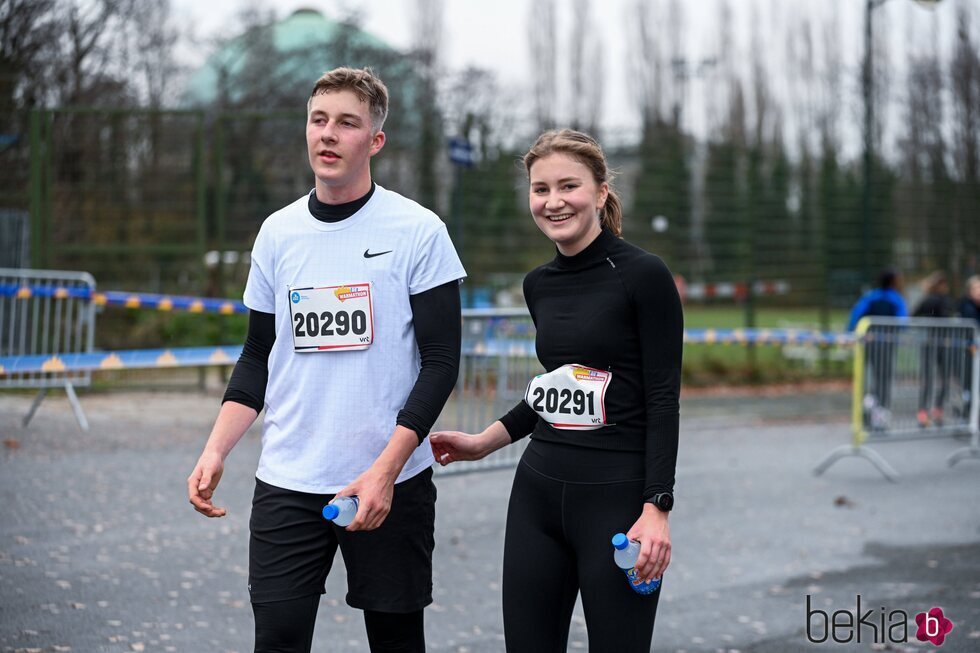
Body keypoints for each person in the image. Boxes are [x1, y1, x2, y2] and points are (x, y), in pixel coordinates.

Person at [186, 67, 466, 653]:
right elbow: (257, 355)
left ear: (375, 140)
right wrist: (215, 450)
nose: (329, 134)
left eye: (347, 122)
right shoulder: (277, 233)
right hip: (289, 477)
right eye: (319, 120)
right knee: (279, 637)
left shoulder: (419, 230)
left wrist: (387, 470)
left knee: (395, 640)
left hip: (390, 478)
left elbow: (440, 362)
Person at [429, 129, 683, 652]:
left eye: (569, 186)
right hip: (538, 493)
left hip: (616, 499)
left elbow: (662, 397)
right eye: (540, 189)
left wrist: (657, 505)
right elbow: (554, 391)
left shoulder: (644, 275)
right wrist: (484, 441)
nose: (554, 201)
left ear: (602, 191)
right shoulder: (537, 284)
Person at [847, 268, 908, 429]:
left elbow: (855, 315)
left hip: (870, 344)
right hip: (886, 345)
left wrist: (852, 332)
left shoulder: (871, 296)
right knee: (884, 380)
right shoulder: (895, 299)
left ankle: (869, 405)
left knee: (871, 378)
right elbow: (903, 321)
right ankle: (878, 413)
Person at [912, 272, 955, 427]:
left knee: (931, 379)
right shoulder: (942, 300)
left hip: (932, 342)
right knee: (940, 379)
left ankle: (927, 412)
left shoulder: (928, 299)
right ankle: (934, 411)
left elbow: (914, 315)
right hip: (940, 342)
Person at [956, 275, 980, 419]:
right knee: (969, 383)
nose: (978, 291)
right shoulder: (967, 306)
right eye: (975, 288)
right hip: (970, 352)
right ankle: (968, 413)